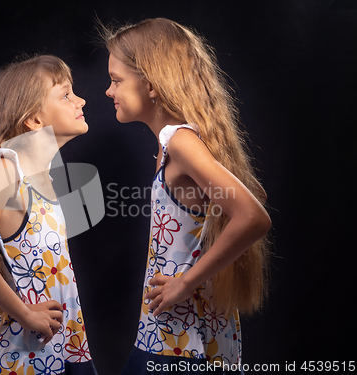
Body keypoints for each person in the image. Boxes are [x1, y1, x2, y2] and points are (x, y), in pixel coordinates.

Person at [101, 18, 272, 373]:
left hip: (177, 343)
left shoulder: (179, 141)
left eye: (116, 80)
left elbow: (253, 215)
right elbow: (255, 193)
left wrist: (186, 282)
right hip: (201, 335)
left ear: (149, 84)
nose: (108, 91)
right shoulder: (182, 141)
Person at [0, 55, 97, 375]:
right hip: (21, 357)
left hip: (59, 347)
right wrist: (26, 313)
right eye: (66, 94)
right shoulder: (7, 169)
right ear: (34, 120)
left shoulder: (41, 175)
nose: (80, 100)